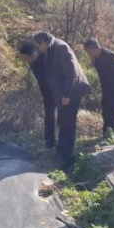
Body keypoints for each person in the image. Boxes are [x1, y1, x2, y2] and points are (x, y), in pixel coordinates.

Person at [33, 31, 91, 171]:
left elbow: (71, 73)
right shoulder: (50, 50)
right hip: (64, 92)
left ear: (43, 42)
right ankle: (61, 149)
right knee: (62, 120)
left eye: (37, 46)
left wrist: (66, 95)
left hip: (72, 91)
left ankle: (67, 159)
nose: (37, 49)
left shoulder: (61, 47)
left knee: (67, 124)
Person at [84, 38, 114, 139]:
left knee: (110, 118)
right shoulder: (99, 58)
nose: (89, 55)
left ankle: (111, 139)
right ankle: (106, 138)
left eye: (89, 52)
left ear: (94, 49)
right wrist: (94, 63)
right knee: (106, 116)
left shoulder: (110, 57)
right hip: (107, 92)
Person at [19, 42, 56, 148]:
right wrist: (45, 96)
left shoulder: (46, 58)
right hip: (47, 94)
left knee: (62, 118)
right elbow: (41, 82)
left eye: (27, 58)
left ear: (34, 53)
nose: (26, 61)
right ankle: (49, 142)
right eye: (24, 59)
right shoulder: (33, 63)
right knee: (49, 117)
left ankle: (63, 145)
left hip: (58, 92)